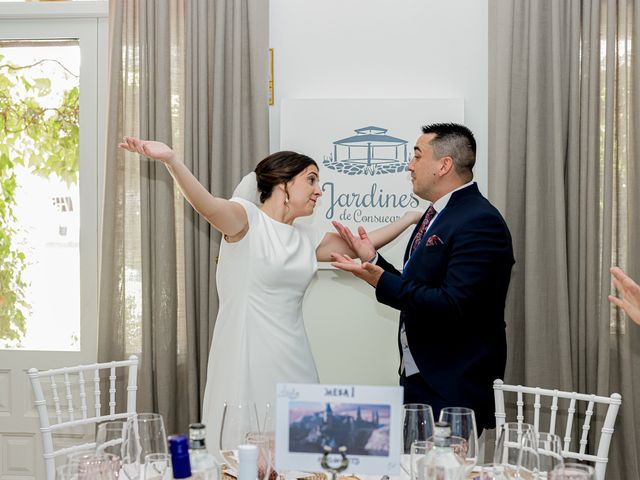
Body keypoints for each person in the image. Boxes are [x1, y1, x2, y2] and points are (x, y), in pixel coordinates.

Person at [118, 136, 421, 453]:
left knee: (301, 447)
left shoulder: (306, 237)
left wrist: (411, 218)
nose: (319, 191)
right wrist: (172, 161)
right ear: (282, 184)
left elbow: (361, 245)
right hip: (249, 353)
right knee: (247, 447)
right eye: (311, 180)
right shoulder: (246, 219)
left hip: (294, 355)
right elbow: (206, 205)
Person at [330, 123, 515, 432]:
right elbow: (421, 286)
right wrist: (373, 261)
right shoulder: (437, 214)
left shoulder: (480, 221)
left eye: (417, 156)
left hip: (452, 384)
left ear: (444, 165)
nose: (409, 165)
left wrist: (381, 281)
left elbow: (453, 304)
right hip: (421, 379)